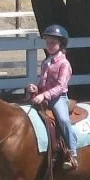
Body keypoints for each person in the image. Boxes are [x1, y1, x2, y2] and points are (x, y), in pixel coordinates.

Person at [28, 24, 79, 169]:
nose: (49, 45)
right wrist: (36, 89)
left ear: (61, 44)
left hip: (58, 98)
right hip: (44, 97)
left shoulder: (64, 64)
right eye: (47, 42)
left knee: (63, 119)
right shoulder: (46, 63)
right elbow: (43, 83)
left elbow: (61, 86)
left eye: (53, 43)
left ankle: (72, 151)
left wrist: (44, 95)